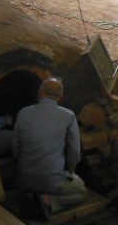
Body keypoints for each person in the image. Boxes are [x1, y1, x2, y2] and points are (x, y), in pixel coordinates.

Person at [12, 77, 86, 217]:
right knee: (80, 191)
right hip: (51, 182)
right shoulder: (68, 116)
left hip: (23, 179)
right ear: (61, 97)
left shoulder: (23, 113)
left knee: (32, 181)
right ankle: (48, 202)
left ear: (39, 92)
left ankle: (31, 195)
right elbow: (74, 152)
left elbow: (15, 147)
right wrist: (71, 173)